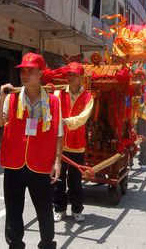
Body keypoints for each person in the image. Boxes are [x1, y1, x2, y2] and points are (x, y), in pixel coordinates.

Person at [0, 52, 63, 249]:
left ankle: (47, 245)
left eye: (30, 71)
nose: (24, 74)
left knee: (45, 211)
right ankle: (15, 245)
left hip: (41, 164)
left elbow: (58, 133)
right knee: (13, 211)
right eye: (22, 70)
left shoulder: (54, 102)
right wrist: (0, 97)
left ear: (41, 74)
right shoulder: (11, 98)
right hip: (14, 164)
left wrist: (57, 161)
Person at [53, 62, 94, 223]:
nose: (71, 77)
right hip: (60, 144)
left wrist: (66, 121)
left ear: (81, 77)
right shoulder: (58, 93)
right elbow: (52, 107)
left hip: (77, 144)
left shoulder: (88, 97)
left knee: (75, 179)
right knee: (58, 178)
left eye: (74, 75)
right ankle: (59, 208)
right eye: (69, 74)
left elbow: (84, 117)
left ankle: (77, 209)